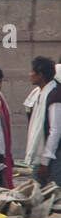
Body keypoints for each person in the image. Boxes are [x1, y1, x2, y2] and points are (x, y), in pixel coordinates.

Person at [23, 56, 61, 186]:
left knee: (54, 194)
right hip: (43, 156)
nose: (30, 74)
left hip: (53, 157)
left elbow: (55, 131)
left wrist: (45, 162)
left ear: (40, 75)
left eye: (32, 71)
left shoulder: (54, 95)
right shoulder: (42, 93)